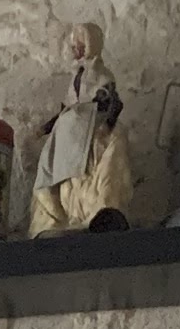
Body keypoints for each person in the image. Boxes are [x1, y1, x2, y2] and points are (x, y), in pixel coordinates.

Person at [29, 25, 136, 235]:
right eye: (74, 46)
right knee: (49, 165)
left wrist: (107, 124)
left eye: (80, 45)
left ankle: (99, 213)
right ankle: (53, 220)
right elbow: (65, 108)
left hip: (92, 127)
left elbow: (114, 103)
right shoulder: (76, 77)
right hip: (68, 131)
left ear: (90, 45)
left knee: (111, 147)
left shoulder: (102, 76)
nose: (76, 50)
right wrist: (45, 129)